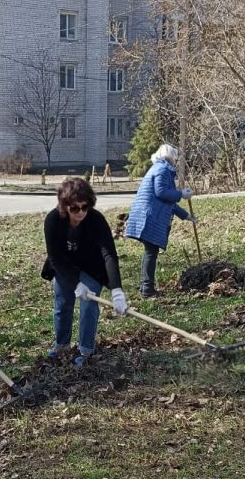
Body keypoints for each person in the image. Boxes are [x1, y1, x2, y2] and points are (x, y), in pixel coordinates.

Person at [42, 177, 127, 365]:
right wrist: (76, 283)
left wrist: (116, 290)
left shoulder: (96, 220)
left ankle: (86, 351)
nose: (80, 212)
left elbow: (109, 254)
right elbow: (55, 258)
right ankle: (61, 345)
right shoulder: (53, 220)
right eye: (75, 208)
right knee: (63, 303)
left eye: (85, 207)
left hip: (92, 267)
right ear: (65, 206)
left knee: (89, 306)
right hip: (65, 267)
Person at [124, 143, 195, 298]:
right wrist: (181, 194)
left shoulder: (159, 169)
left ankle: (145, 287)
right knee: (151, 252)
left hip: (148, 215)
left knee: (150, 251)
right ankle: (147, 289)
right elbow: (161, 192)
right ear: (170, 157)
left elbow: (169, 202)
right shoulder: (162, 170)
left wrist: (186, 216)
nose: (176, 161)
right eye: (175, 158)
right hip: (150, 216)